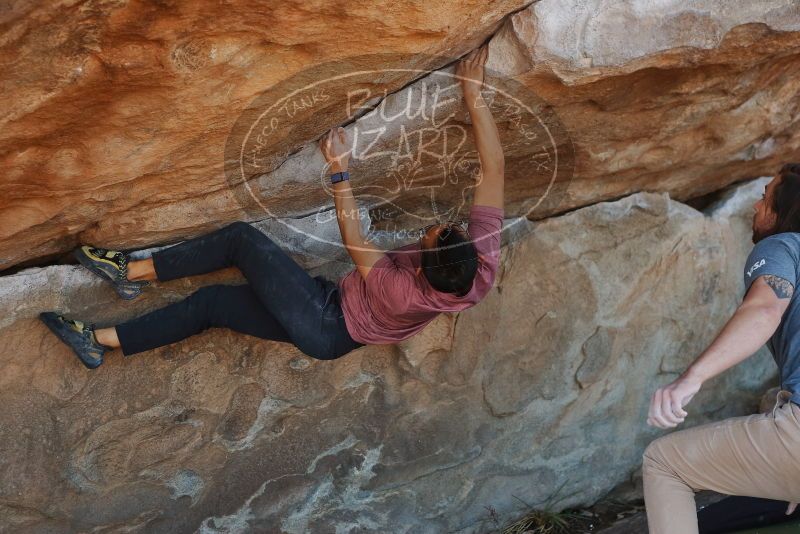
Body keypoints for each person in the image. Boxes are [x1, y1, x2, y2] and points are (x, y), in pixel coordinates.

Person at [39, 44, 505, 369]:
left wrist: (339, 168)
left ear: (422, 270)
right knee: (212, 304)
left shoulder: (403, 291)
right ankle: (97, 342)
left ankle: (129, 273)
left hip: (327, 324)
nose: (441, 226)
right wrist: (473, 92)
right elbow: (496, 167)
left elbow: (355, 241)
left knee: (242, 240)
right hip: (332, 315)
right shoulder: (479, 267)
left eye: (434, 236)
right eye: (452, 230)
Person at [642, 163, 800, 534]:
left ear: (786, 210)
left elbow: (764, 309)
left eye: (764, 199)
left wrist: (689, 380)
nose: (755, 207)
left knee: (665, 463)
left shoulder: (783, 245)